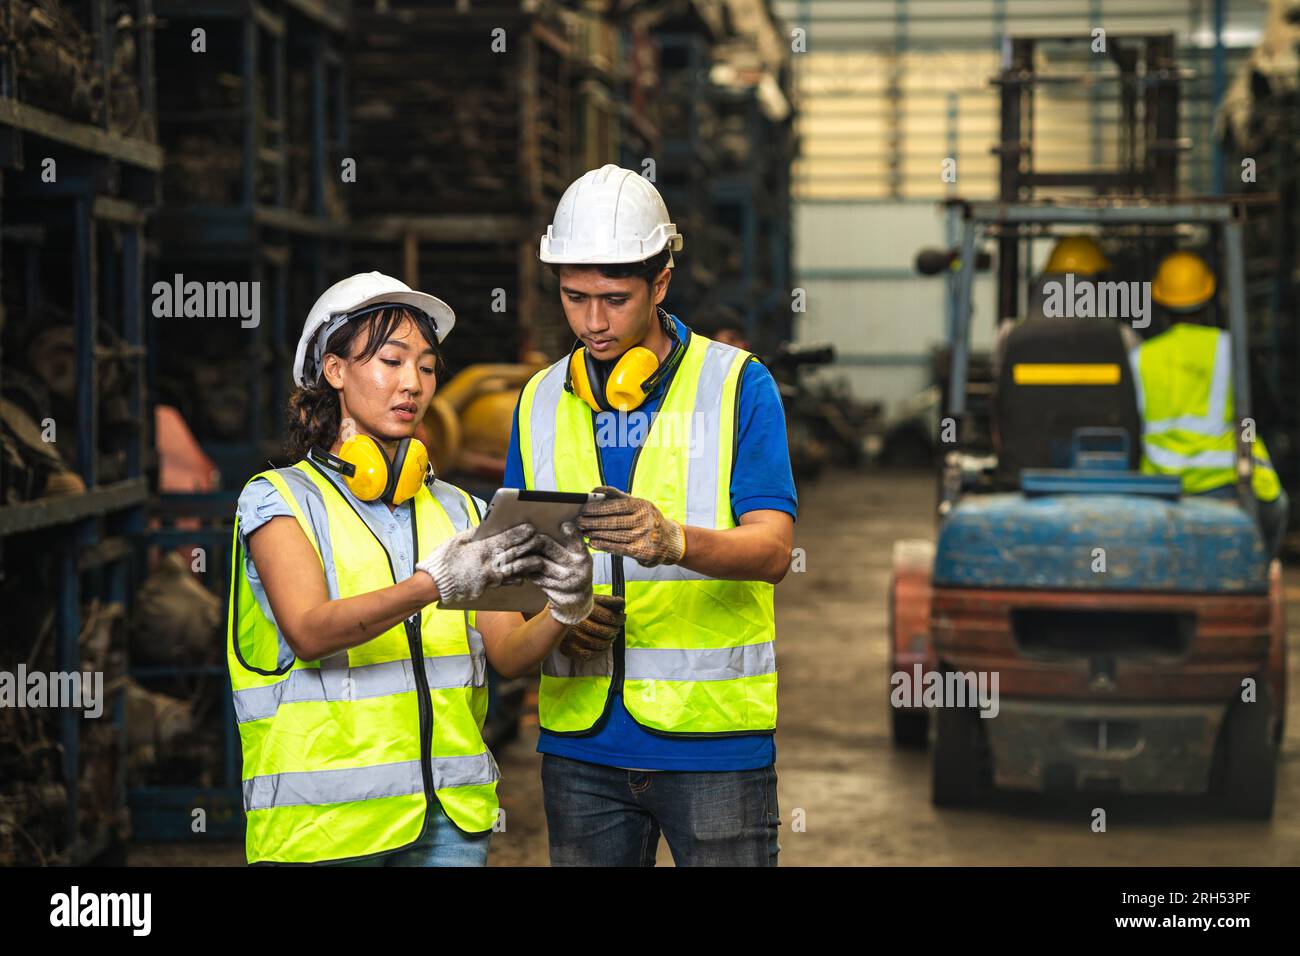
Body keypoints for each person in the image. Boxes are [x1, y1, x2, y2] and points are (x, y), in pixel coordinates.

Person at [227, 272, 595, 866]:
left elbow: (506, 655)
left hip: (448, 820)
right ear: (335, 370)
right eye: (391, 361)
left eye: (426, 367)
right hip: (325, 825)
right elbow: (310, 631)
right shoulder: (279, 500)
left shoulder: (462, 509)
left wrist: (563, 608)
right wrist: (435, 584)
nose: (412, 384)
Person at [506, 165, 798, 866]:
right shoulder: (541, 400)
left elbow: (773, 552)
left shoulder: (737, 386)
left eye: (614, 299)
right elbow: (515, 583)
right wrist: (557, 626)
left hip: (713, 748)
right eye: (574, 299)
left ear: (660, 283)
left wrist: (677, 540)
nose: (593, 323)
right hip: (580, 751)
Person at [1130, 250, 1288, 557]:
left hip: (1161, 487)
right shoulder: (1231, 349)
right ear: (1209, 300)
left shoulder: (1140, 357)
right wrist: (1245, 437)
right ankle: (1257, 575)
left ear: (1160, 304)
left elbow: (1129, 422)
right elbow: (1264, 413)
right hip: (1226, 484)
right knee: (1278, 508)